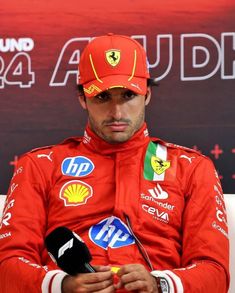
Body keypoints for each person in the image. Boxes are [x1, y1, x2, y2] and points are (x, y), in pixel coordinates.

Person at [0, 34, 229, 293]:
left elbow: (214, 272)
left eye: (128, 95)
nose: (117, 112)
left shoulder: (192, 168)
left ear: (147, 95)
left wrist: (159, 284)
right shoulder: (40, 165)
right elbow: (7, 267)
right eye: (102, 97)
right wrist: (62, 286)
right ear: (82, 99)